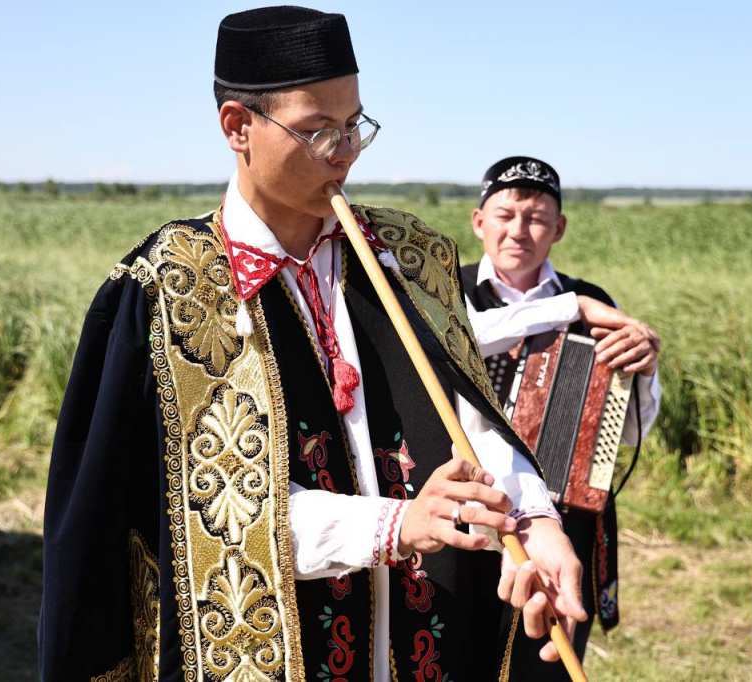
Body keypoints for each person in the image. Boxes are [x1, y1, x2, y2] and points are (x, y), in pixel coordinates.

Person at [39, 10, 585, 682]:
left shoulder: (406, 257)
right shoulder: (169, 289)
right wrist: (394, 525)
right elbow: (210, 513)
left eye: (355, 124)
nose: (345, 151)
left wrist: (535, 520)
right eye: (316, 128)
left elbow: (471, 418)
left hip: (421, 649)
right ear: (238, 127)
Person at [460, 156, 662, 679]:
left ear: (559, 228)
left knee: (546, 661)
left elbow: (628, 430)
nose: (518, 230)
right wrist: (567, 309)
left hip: (566, 510)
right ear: (479, 222)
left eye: (536, 217)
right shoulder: (450, 293)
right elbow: (463, 340)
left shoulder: (596, 301)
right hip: (472, 508)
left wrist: (643, 371)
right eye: (505, 215)